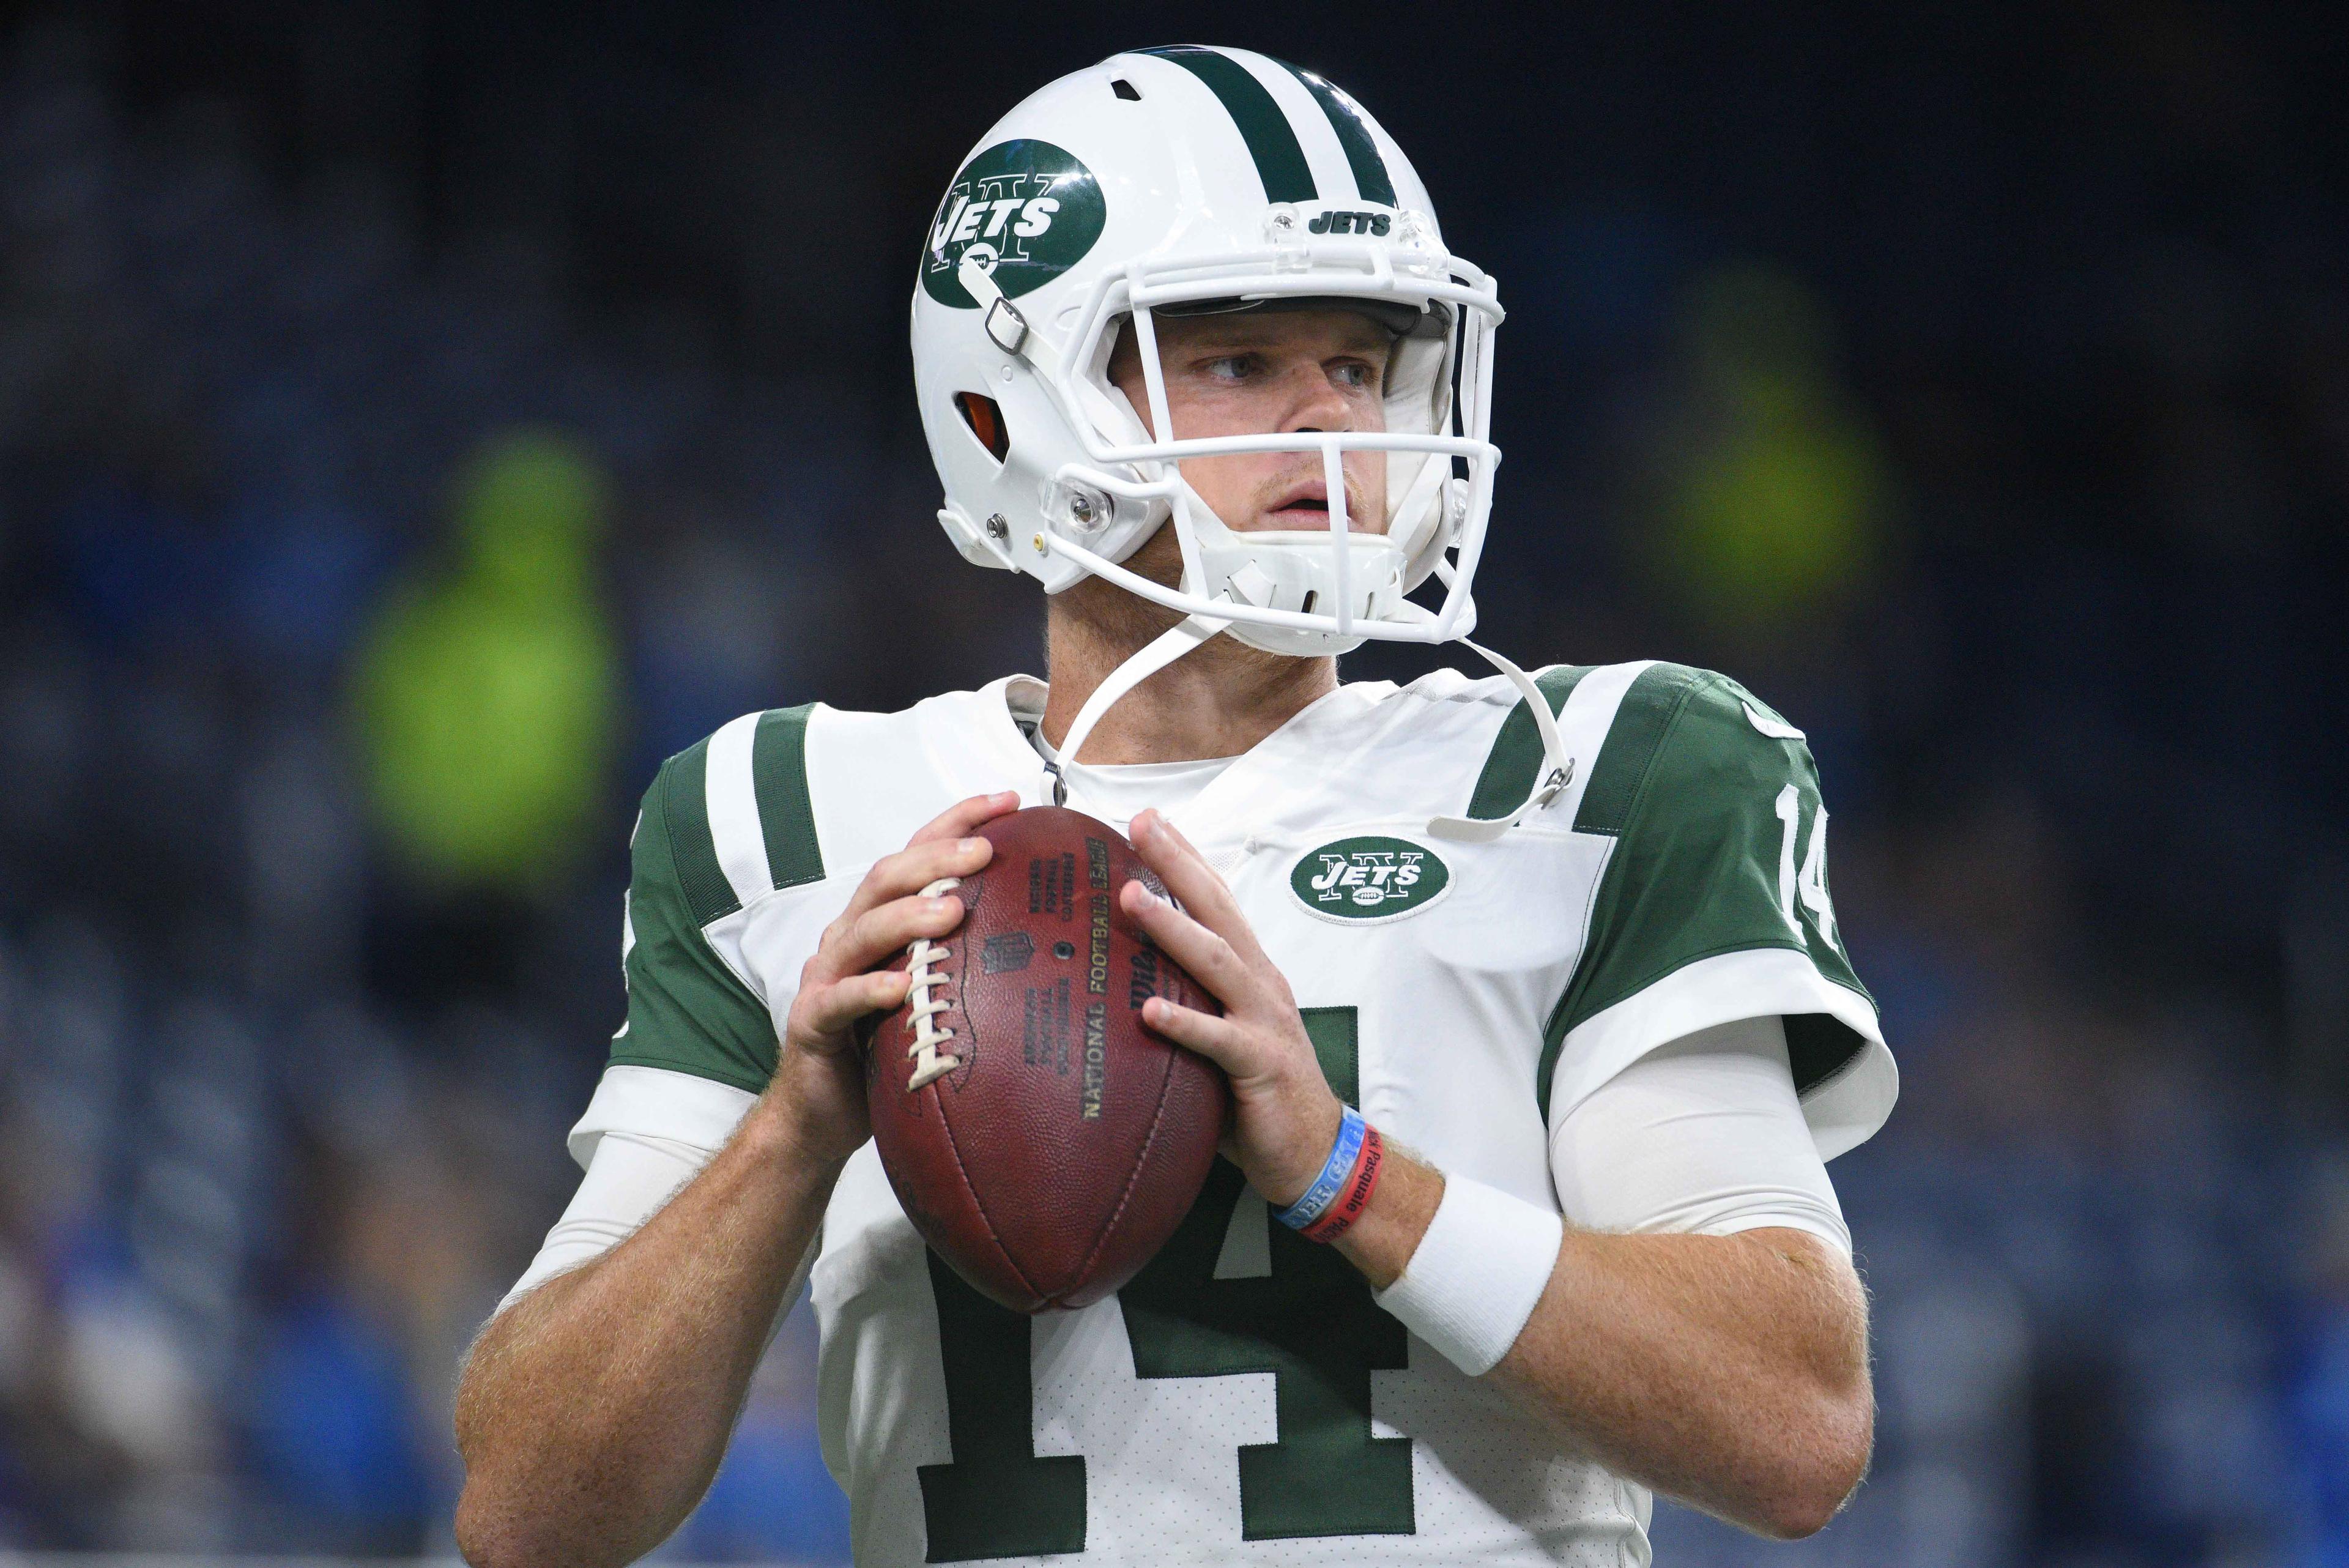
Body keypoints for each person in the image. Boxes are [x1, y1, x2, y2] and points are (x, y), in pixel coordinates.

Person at [452, 45, 1896, 1568]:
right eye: (1238, 362)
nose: (1334, 421)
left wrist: (1346, 1175)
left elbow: (1793, 1425)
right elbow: (528, 1517)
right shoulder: (787, 816)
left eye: (1361, 362)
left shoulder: (1596, 774)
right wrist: (797, 1128)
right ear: (1013, 405)